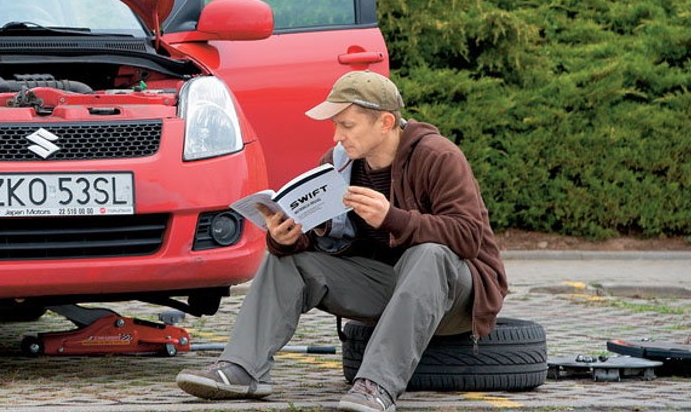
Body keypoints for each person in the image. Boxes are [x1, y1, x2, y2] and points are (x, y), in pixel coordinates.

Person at [176, 70, 507, 412]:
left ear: (385, 122)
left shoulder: (439, 157)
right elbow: (327, 245)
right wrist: (286, 238)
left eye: (347, 125)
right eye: (336, 125)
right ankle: (243, 368)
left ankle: (376, 386)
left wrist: (393, 218)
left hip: (455, 298)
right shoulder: (337, 165)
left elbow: (469, 237)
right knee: (286, 260)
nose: (337, 135)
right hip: (386, 288)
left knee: (430, 254)